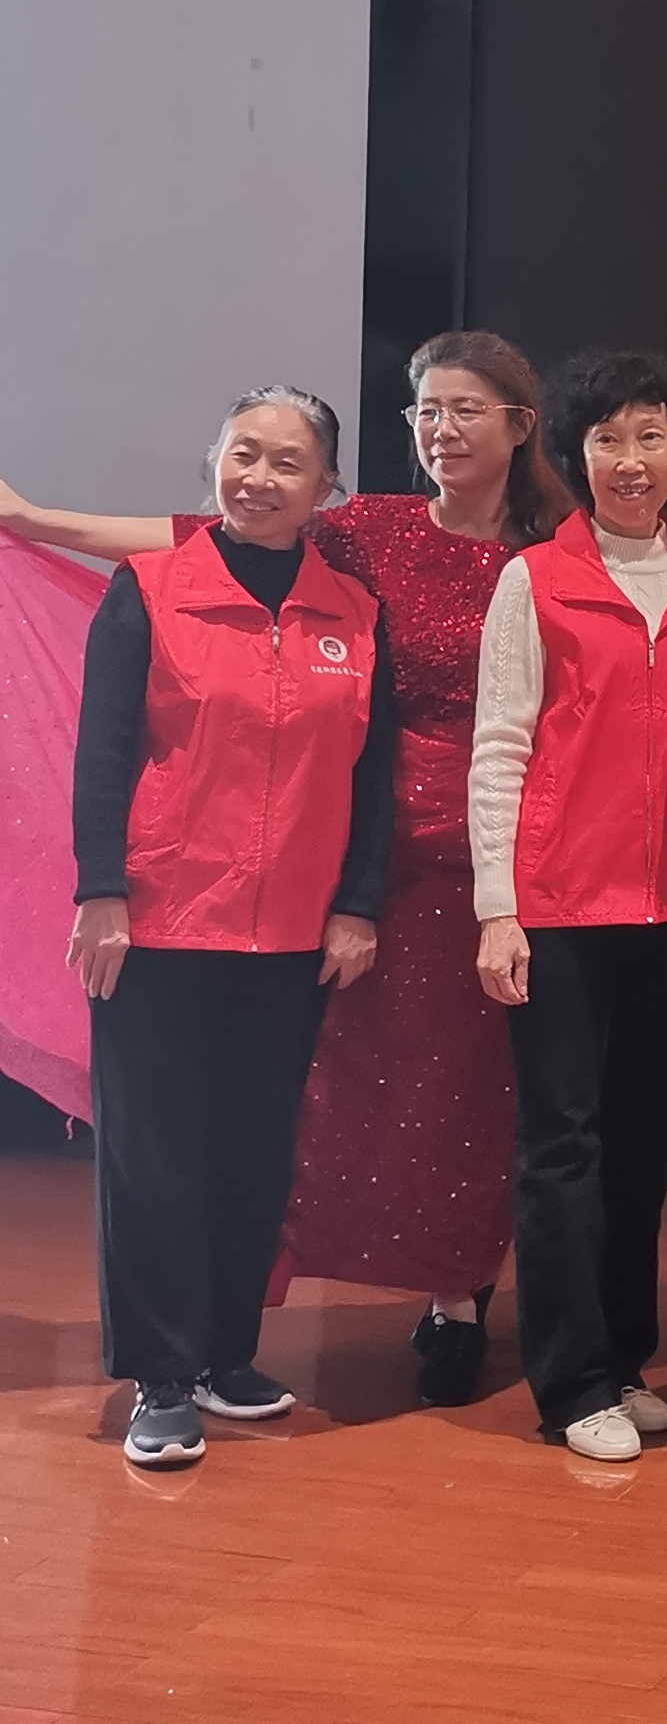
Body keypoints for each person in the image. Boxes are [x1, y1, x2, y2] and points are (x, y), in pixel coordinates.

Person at [1, 334, 667, 1406]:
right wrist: (36, 522)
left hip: (511, 857)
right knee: (350, 1086)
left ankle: (459, 1298)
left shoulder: (561, 546)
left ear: (522, 425)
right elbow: (208, 535)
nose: (441, 430)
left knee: (486, 1094)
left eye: (465, 409)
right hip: (373, 853)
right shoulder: (368, 531)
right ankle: (216, 1333)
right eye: (425, 411)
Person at [70, 389, 392, 1466]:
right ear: (214, 461)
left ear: (326, 490)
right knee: (155, 1156)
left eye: (287, 463)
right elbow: (103, 750)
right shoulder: (149, 590)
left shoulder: (354, 612)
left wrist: (356, 904)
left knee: (254, 1149)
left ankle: (223, 1353)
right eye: (243, 454)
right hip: (160, 921)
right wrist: (101, 891)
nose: (259, 478)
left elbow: (375, 775)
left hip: (293, 936)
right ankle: (160, 1375)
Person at [468, 349, 667, 1463]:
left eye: (649, 435)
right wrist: (498, 907)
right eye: (608, 438)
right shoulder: (533, 581)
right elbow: (499, 746)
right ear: (575, 452)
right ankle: (570, 1382)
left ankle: (623, 1356)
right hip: (559, 906)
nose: (630, 459)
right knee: (559, 1146)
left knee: (641, 1143)